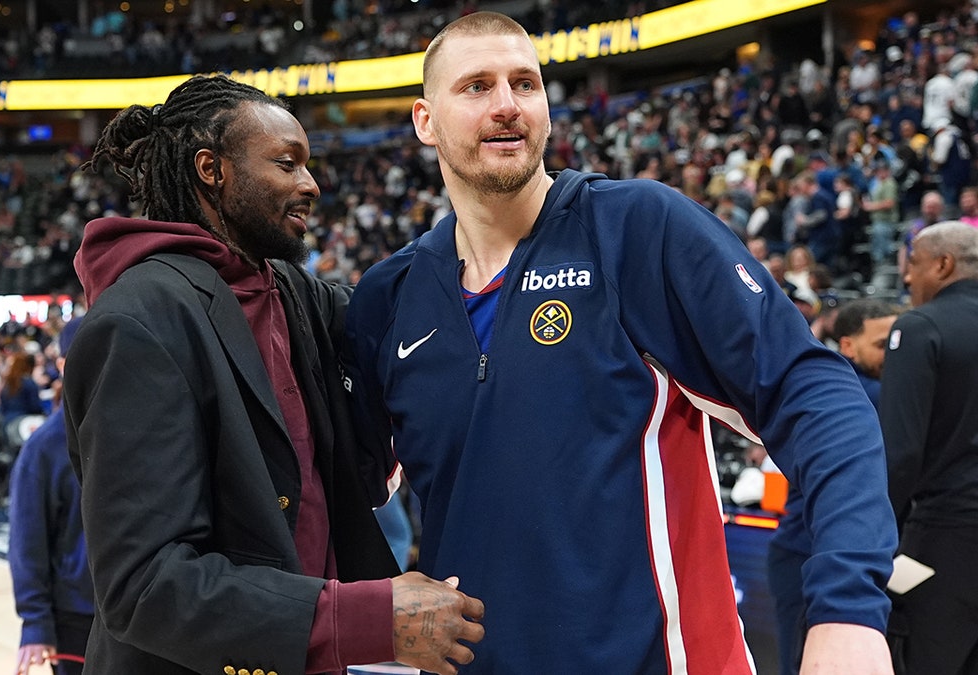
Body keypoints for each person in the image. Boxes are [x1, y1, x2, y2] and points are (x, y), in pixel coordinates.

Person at [343, 12, 897, 674]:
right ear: (425, 120)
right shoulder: (390, 296)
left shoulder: (635, 229)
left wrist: (847, 611)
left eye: (526, 82)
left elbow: (818, 396)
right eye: (476, 86)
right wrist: (370, 604)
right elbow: (340, 489)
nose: (507, 106)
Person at [62, 74, 483, 675]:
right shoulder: (138, 321)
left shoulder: (290, 290)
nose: (310, 184)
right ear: (213, 170)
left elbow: (402, 312)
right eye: (286, 164)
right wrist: (367, 620)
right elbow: (146, 587)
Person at [767, 296, 899, 675]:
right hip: (806, 554)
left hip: (829, 557)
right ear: (847, 345)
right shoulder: (857, 392)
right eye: (880, 345)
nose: (893, 354)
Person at [879, 221, 978, 674]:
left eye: (913, 264)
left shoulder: (920, 328)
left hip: (942, 540)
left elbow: (900, 454)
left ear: (943, 264)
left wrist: (875, 539)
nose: (906, 277)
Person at [10, 316, 93, 675]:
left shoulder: (142, 434)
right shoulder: (44, 447)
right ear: (60, 365)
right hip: (76, 615)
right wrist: (35, 622)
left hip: (142, 612)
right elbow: (27, 539)